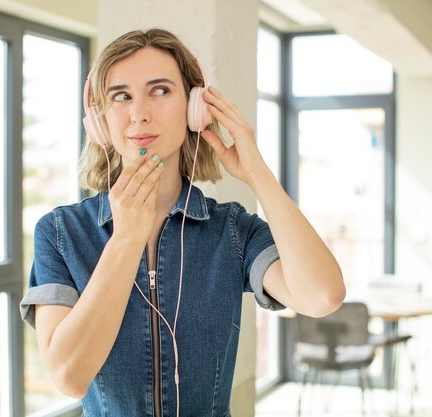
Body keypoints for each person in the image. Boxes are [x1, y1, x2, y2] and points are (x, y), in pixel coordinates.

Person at [20, 28, 345, 417]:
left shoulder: (233, 231)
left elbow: (321, 296)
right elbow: (69, 376)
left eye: (160, 91)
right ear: (99, 120)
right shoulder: (59, 233)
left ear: (195, 107)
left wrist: (257, 173)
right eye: (121, 96)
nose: (139, 112)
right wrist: (126, 239)